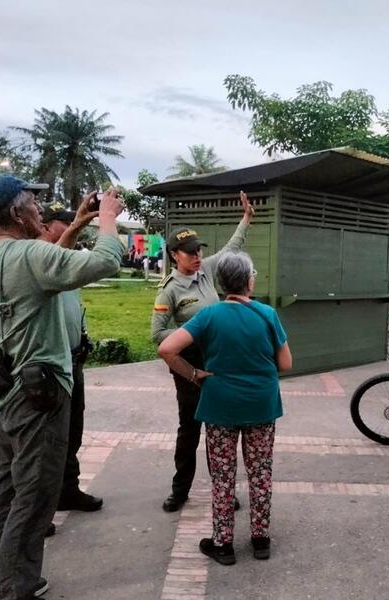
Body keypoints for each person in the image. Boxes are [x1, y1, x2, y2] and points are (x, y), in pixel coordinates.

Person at [0, 174, 124, 600]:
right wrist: (108, 220)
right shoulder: (30, 255)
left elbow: (42, 270)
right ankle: (15, 586)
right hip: (40, 397)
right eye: (34, 204)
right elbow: (106, 262)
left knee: (5, 490)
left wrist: (74, 226)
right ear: (18, 214)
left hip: (9, 393)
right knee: (36, 497)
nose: (41, 209)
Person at [158, 251, 292, 565]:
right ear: (249, 280)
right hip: (261, 404)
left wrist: (193, 375)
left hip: (219, 405)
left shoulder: (209, 315)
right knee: (260, 473)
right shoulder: (267, 314)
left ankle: (223, 544)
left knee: (222, 476)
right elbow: (285, 363)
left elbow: (166, 348)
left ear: (220, 283)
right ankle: (260, 540)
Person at [151, 191, 255, 513]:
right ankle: (179, 491)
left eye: (198, 251)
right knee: (190, 429)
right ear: (173, 255)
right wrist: (192, 335)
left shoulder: (207, 271)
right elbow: (157, 334)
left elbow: (230, 250)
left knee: (220, 430)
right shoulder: (169, 289)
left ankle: (224, 490)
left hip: (217, 362)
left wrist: (246, 219)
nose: (197, 256)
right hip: (188, 366)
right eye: (189, 252)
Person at [40, 202, 103, 517]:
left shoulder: (67, 262)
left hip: (73, 359)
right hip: (49, 366)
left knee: (73, 430)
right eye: (67, 223)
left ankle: (68, 490)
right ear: (47, 226)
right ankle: (41, 509)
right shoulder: (40, 263)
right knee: (48, 438)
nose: (73, 228)